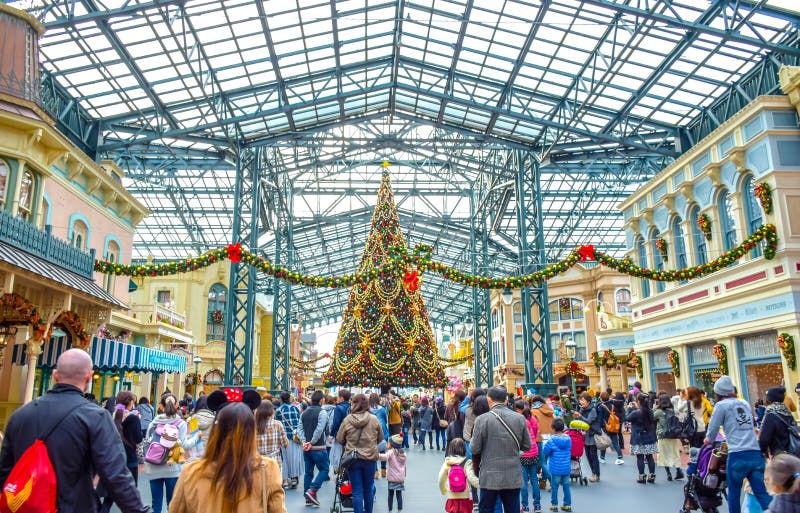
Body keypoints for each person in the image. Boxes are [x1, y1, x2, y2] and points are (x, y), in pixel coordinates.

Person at [0, 349, 149, 513]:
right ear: (89, 377)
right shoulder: (95, 417)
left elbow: (5, 472)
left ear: (55, 375)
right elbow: (116, 474)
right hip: (75, 506)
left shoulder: (20, 416)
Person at [168, 402, 286, 513]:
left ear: (216, 432)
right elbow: (277, 509)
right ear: (251, 433)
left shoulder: (191, 472)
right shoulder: (267, 469)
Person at [705, 375, 772, 513]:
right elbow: (752, 424)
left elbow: (713, 428)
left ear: (718, 393)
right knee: (761, 492)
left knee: (734, 493)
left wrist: (708, 440)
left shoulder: (721, 405)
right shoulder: (744, 403)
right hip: (754, 453)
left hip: (737, 454)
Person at [471, 386, 532, 513]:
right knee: (512, 509)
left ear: (489, 400)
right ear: (506, 400)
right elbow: (527, 446)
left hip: (489, 476)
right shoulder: (519, 418)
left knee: (486, 509)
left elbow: (474, 448)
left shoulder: (482, 420)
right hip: (512, 475)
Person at [98, 390, 144, 513]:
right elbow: (138, 439)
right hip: (130, 460)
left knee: (109, 497)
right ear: (130, 402)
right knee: (130, 497)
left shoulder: (111, 416)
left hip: (113, 460)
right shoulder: (134, 418)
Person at [336, 393, 383, 513]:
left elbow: (339, 438)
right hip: (370, 458)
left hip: (353, 459)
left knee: (357, 491)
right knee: (368, 490)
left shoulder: (347, 420)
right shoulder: (374, 419)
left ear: (353, 404)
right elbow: (380, 438)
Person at [146, 392, 188, 513]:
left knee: (156, 504)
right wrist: (196, 439)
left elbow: (147, 442)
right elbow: (184, 445)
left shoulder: (153, 424)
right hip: (172, 468)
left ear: (160, 407)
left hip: (153, 466)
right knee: (172, 504)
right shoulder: (181, 424)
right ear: (177, 405)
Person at [297, 390, 330, 506]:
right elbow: (320, 429)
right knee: (325, 469)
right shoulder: (322, 412)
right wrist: (312, 441)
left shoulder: (304, 413)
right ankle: (313, 490)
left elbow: (299, 428)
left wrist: (304, 442)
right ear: (321, 400)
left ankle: (308, 497)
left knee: (308, 472)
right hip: (319, 447)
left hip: (307, 449)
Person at [439, 437, 480, 513]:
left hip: (452, 496)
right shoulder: (467, 462)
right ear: (464, 449)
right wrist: (481, 485)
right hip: (465, 496)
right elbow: (471, 477)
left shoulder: (447, 462)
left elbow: (441, 478)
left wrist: (443, 490)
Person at [515, 400, 541, 513]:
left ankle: (525, 506)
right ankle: (537, 505)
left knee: (524, 481)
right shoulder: (533, 419)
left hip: (523, 453)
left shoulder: (519, 421)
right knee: (534, 479)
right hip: (533, 451)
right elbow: (534, 434)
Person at [626, 392, 658, 484]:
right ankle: (651, 475)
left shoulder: (636, 413)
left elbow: (627, 418)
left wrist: (629, 409)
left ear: (638, 401)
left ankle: (642, 476)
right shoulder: (650, 411)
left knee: (640, 457)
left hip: (639, 438)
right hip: (649, 436)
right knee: (649, 457)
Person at [542, 418, 572, 513]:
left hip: (555, 468)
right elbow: (569, 449)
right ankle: (567, 505)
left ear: (553, 428)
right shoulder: (568, 439)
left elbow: (546, 452)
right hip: (566, 467)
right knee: (566, 486)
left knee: (555, 487)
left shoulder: (551, 440)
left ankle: (554, 505)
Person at [760, 387, 797, 459]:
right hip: (793, 452)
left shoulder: (771, 414)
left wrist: (763, 451)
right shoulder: (787, 413)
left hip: (780, 455)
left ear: (770, 399)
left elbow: (764, 438)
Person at [276, 391, 303, 489]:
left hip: (284, 438)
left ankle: (285, 480)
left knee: (285, 460)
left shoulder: (279, 410)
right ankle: (294, 478)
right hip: (295, 437)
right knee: (295, 458)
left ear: (282, 399)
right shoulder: (296, 408)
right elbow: (300, 422)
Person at [654, 394, 684, 481]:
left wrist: (654, 408)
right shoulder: (673, 410)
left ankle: (668, 474)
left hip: (662, 435)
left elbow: (653, 417)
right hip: (673, 435)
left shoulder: (658, 412)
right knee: (675, 453)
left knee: (664, 455)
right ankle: (679, 471)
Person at [572, 392, 600, 482]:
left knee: (593, 456)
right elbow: (579, 423)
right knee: (588, 456)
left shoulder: (592, 410)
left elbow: (588, 422)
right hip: (584, 436)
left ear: (588, 401)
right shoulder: (582, 409)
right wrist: (576, 417)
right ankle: (593, 473)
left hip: (592, 435)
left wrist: (580, 416)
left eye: (583, 400)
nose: (581, 401)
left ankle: (597, 474)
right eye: (580, 400)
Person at [378, 433, 407, 513]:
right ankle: (399, 510)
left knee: (390, 494)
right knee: (399, 494)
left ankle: (390, 510)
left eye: (389, 442)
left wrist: (376, 454)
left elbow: (384, 457)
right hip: (400, 478)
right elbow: (404, 466)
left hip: (392, 478)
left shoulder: (391, 452)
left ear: (393, 444)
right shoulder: (403, 453)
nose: (388, 443)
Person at [256, 400, 288, 470]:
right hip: (274, 462)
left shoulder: (253, 425)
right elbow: (285, 444)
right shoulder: (278, 424)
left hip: (258, 463)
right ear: (271, 410)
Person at [530, 394, 554, 484]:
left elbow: (533, 426)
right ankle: (543, 482)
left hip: (539, 438)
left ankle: (552, 480)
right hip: (550, 437)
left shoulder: (533, 411)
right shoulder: (549, 410)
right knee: (546, 461)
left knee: (542, 461)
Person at [328, 388, 352, 471]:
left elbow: (335, 423)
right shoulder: (351, 407)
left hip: (340, 435)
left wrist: (331, 435)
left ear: (341, 398)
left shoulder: (338, 408)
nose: (337, 399)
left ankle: (339, 470)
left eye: (338, 397)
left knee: (338, 454)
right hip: (350, 435)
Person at [599, 391, 624, 465]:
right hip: (613, 426)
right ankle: (620, 456)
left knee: (604, 442)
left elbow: (600, 419)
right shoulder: (612, 405)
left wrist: (601, 426)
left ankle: (602, 457)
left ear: (601, 398)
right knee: (615, 442)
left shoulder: (601, 407)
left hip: (606, 427)